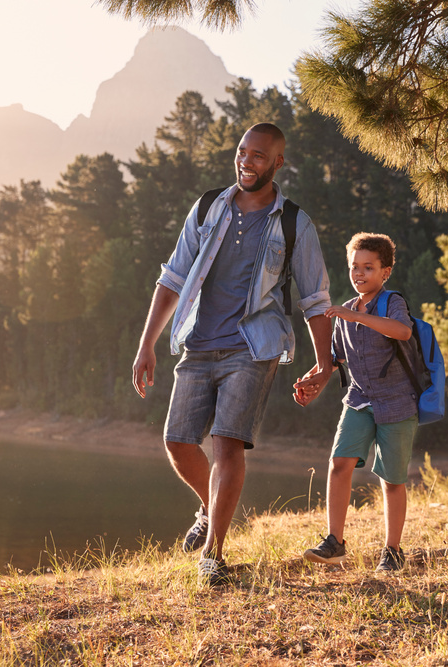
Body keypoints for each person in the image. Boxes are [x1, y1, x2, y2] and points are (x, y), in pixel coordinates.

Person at [131, 123, 333, 587]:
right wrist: (146, 345)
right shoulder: (208, 206)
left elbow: (315, 298)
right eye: (242, 152)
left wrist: (324, 364)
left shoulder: (293, 222)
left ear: (278, 163)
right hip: (198, 342)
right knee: (178, 442)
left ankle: (213, 553)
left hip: (253, 346)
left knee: (227, 442)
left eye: (259, 155)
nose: (247, 161)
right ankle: (210, 507)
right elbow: (173, 277)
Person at [299, 232, 417, 573]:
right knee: (339, 464)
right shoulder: (346, 310)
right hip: (359, 400)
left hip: (396, 402)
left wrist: (357, 318)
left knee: (391, 480)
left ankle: (392, 551)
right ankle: (335, 542)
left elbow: (403, 331)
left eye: (369, 267)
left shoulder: (391, 301)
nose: (359, 274)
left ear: (386, 272)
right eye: (355, 267)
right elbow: (334, 359)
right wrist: (313, 381)